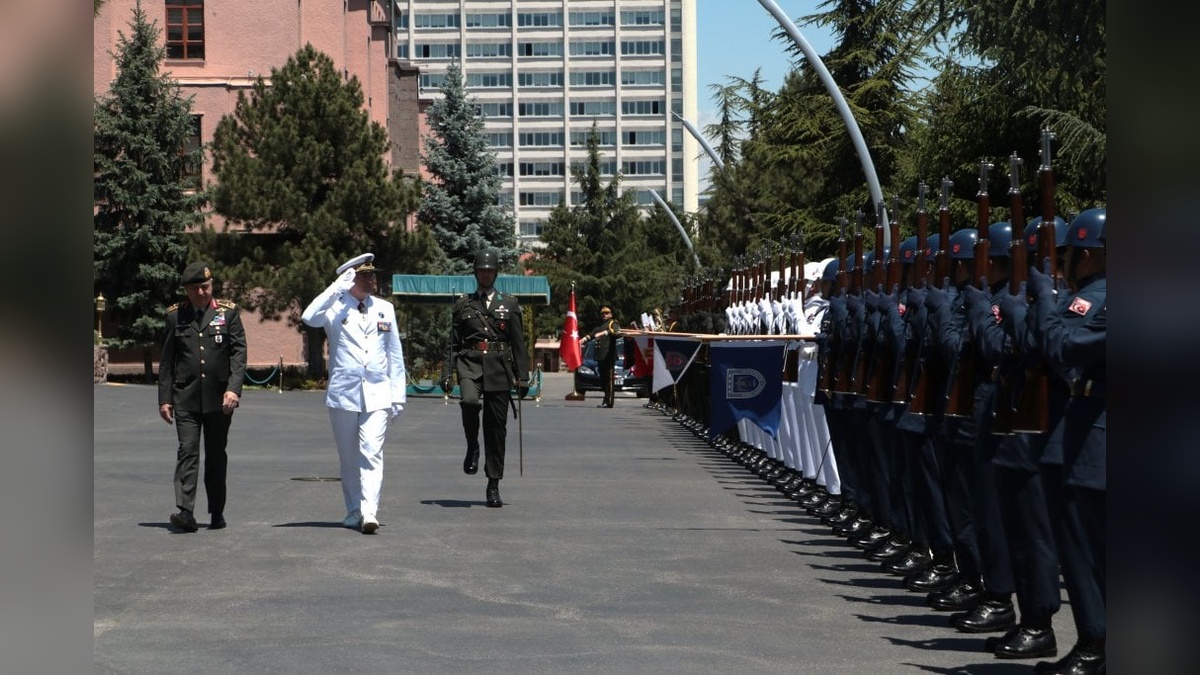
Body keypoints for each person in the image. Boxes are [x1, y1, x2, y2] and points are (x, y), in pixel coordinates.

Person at [301, 253, 406, 534]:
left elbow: (395, 355)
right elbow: (308, 317)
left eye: (373, 275)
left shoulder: (385, 308)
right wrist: (335, 288)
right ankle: (353, 510)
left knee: (372, 452)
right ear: (351, 278)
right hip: (343, 394)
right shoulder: (334, 308)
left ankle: (369, 511)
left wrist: (398, 397)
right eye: (366, 276)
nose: (373, 280)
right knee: (348, 457)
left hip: (378, 393)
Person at [158, 261, 247, 533]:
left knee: (216, 454)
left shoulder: (228, 314)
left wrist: (234, 388)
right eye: (196, 288)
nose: (203, 292)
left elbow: (238, 354)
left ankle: (217, 509)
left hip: (220, 399)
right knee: (188, 452)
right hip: (185, 397)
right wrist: (164, 398)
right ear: (186, 290)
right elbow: (167, 361)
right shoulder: (175, 316)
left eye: (206, 287)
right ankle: (185, 511)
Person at [448, 249, 530, 508]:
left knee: (496, 429)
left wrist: (523, 377)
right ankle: (473, 444)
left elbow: (518, 343)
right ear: (476, 273)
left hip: (499, 367)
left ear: (495, 273)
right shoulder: (463, 304)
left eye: (489, 270)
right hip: (470, 363)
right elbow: (452, 343)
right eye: (482, 270)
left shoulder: (510, 304)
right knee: (470, 402)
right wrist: (446, 373)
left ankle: (493, 483)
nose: (485, 274)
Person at [582, 306, 620, 408]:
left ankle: (609, 401)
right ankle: (606, 398)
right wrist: (583, 340)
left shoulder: (613, 323)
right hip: (600, 356)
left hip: (608, 355)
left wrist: (604, 333)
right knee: (603, 379)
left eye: (607, 313)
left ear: (611, 314)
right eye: (603, 313)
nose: (604, 315)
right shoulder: (600, 325)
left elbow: (616, 331)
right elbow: (592, 334)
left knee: (609, 379)